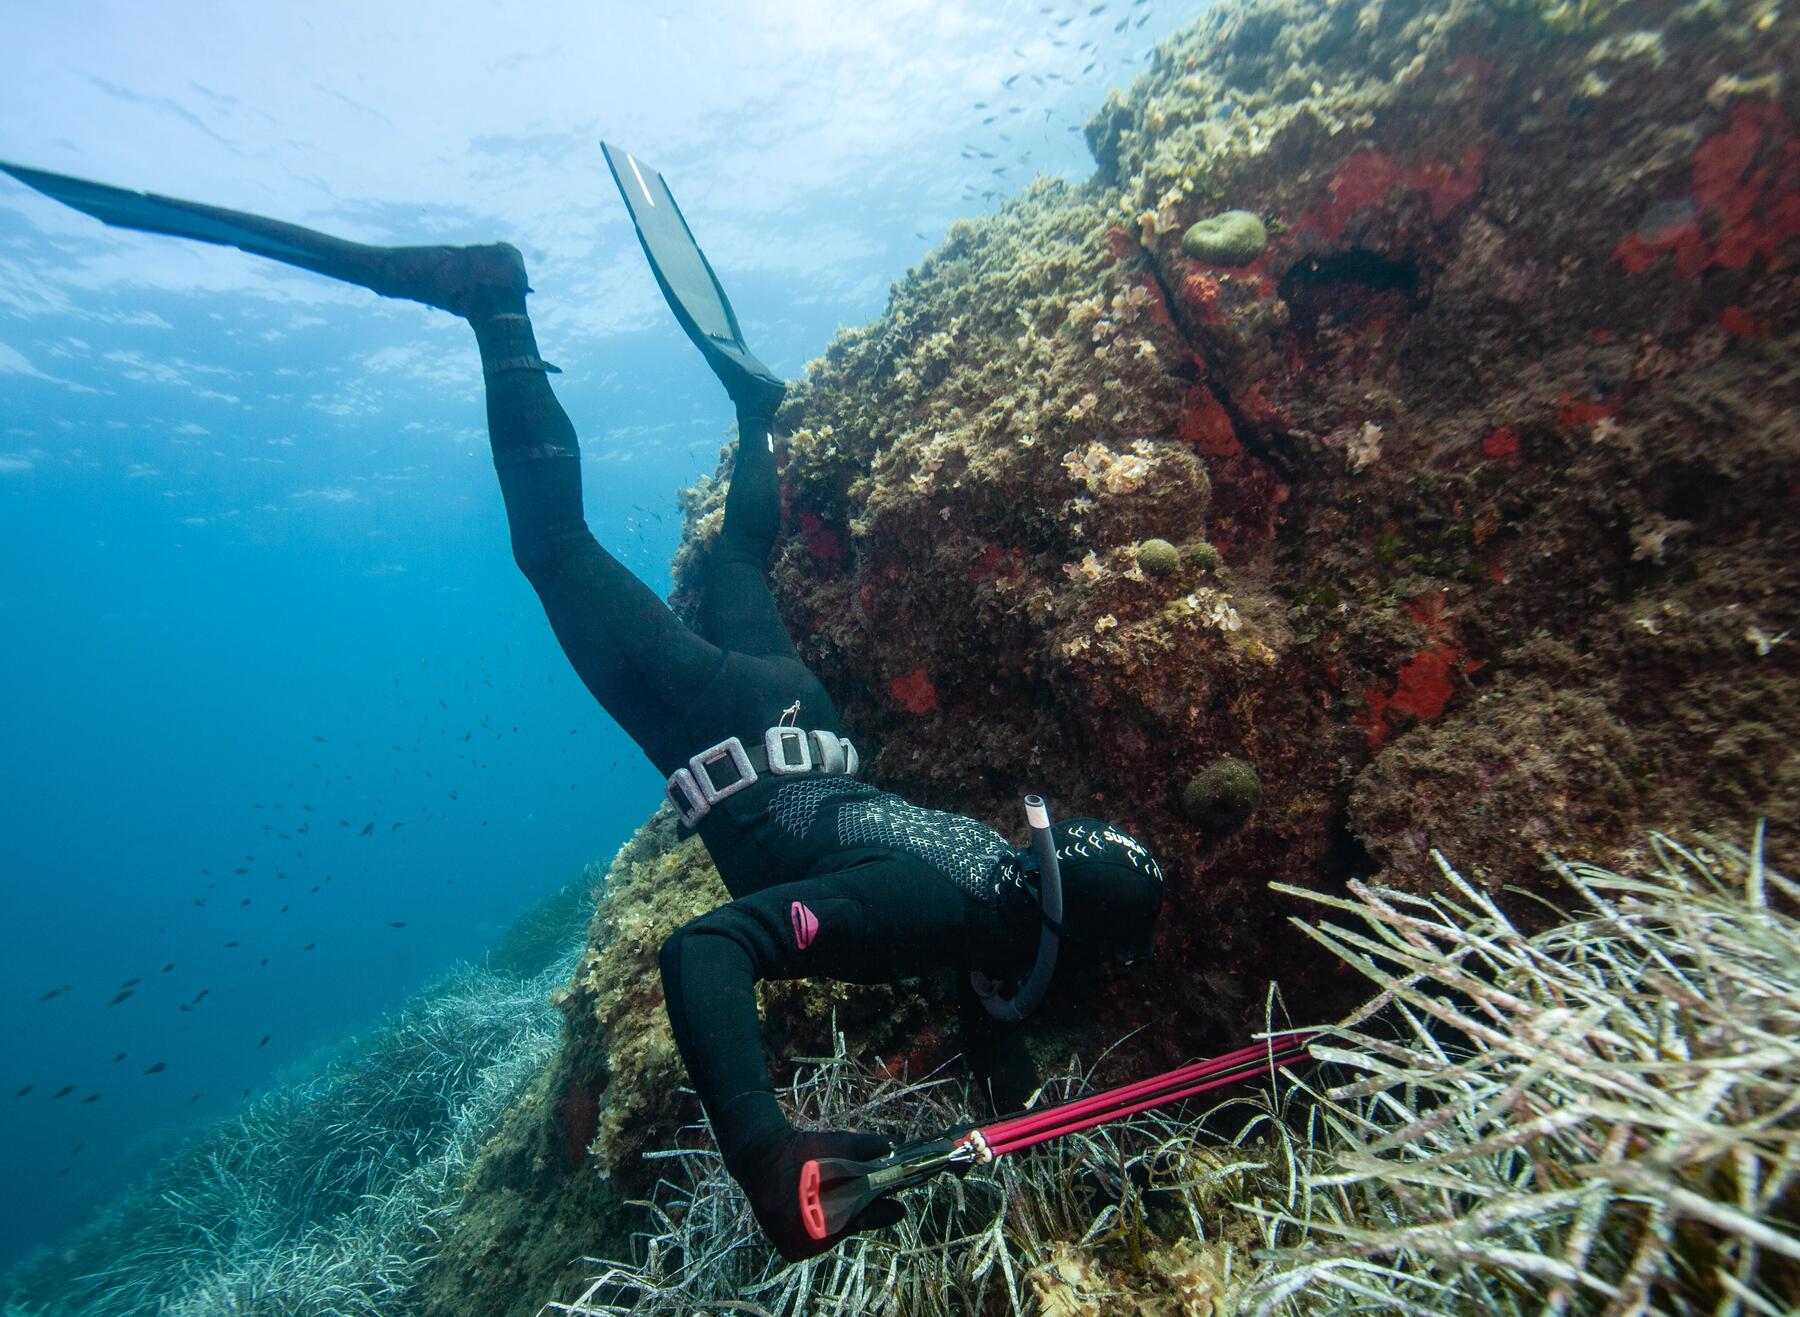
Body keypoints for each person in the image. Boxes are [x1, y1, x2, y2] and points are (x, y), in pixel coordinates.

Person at [0, 153, 1167, 1261]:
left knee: (741, 572)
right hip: (728, 733)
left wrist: (1029, 1132)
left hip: (804, 716)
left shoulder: (986, 881)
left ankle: (757, 413)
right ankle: (493, 304)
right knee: (556, 550)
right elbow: (709, 945)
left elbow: (994, 995)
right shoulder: (939, 916)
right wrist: (763, 1150)